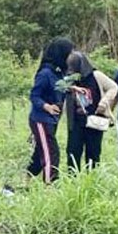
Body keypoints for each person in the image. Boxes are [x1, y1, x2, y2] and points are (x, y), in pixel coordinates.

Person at [27, 38, 74, 183]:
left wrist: (73, 88)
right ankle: (50, 184)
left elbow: (61, 89)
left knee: (41, 150)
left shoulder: (59, 73)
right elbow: (34, 95)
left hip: (52, 120)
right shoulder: (45, 73)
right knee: (51, 152)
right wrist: (46, 106)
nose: (72, 57)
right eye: (70, 53)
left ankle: (26, 178)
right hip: (41, 119)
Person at [64, 50, 118, 173]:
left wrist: (104, 102)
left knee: (93, 152)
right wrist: (71, 87)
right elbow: (59, 86)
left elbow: (113, 87)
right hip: (76, 121)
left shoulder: (96, 76)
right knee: (73, 151)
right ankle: (72, 180)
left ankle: (92, 178)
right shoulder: (70, 78)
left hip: (95, 119)